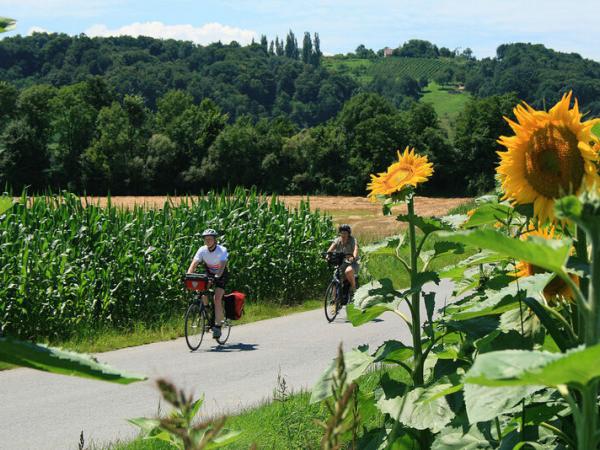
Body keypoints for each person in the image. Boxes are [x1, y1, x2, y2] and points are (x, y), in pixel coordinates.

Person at [187, 228, 229, 339]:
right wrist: (188, 275)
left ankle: (218, 326)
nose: (207, 241)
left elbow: (222, 266)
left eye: (210, 239)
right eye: (206, 239)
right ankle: (206, 309)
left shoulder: (222, 250)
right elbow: (194, 264)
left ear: (215, 240)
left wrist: (217, 277)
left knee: (217, 298)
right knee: (202, 292)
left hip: (221, 274)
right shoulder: (202, 250)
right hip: (209, 273)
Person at [326, 224, 359, 301]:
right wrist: (328, 255)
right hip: (342, 262)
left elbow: (355, 249)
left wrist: (353, 257)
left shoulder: (352, 240)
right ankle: (334, 299)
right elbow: (330, 249)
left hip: (353, 262)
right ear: (340, 233)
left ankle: (353, 289)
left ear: (348, 234)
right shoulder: (337, 240)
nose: (343, 235)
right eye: (342, 233)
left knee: (348, 271)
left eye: (345, 233)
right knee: (336, 276)